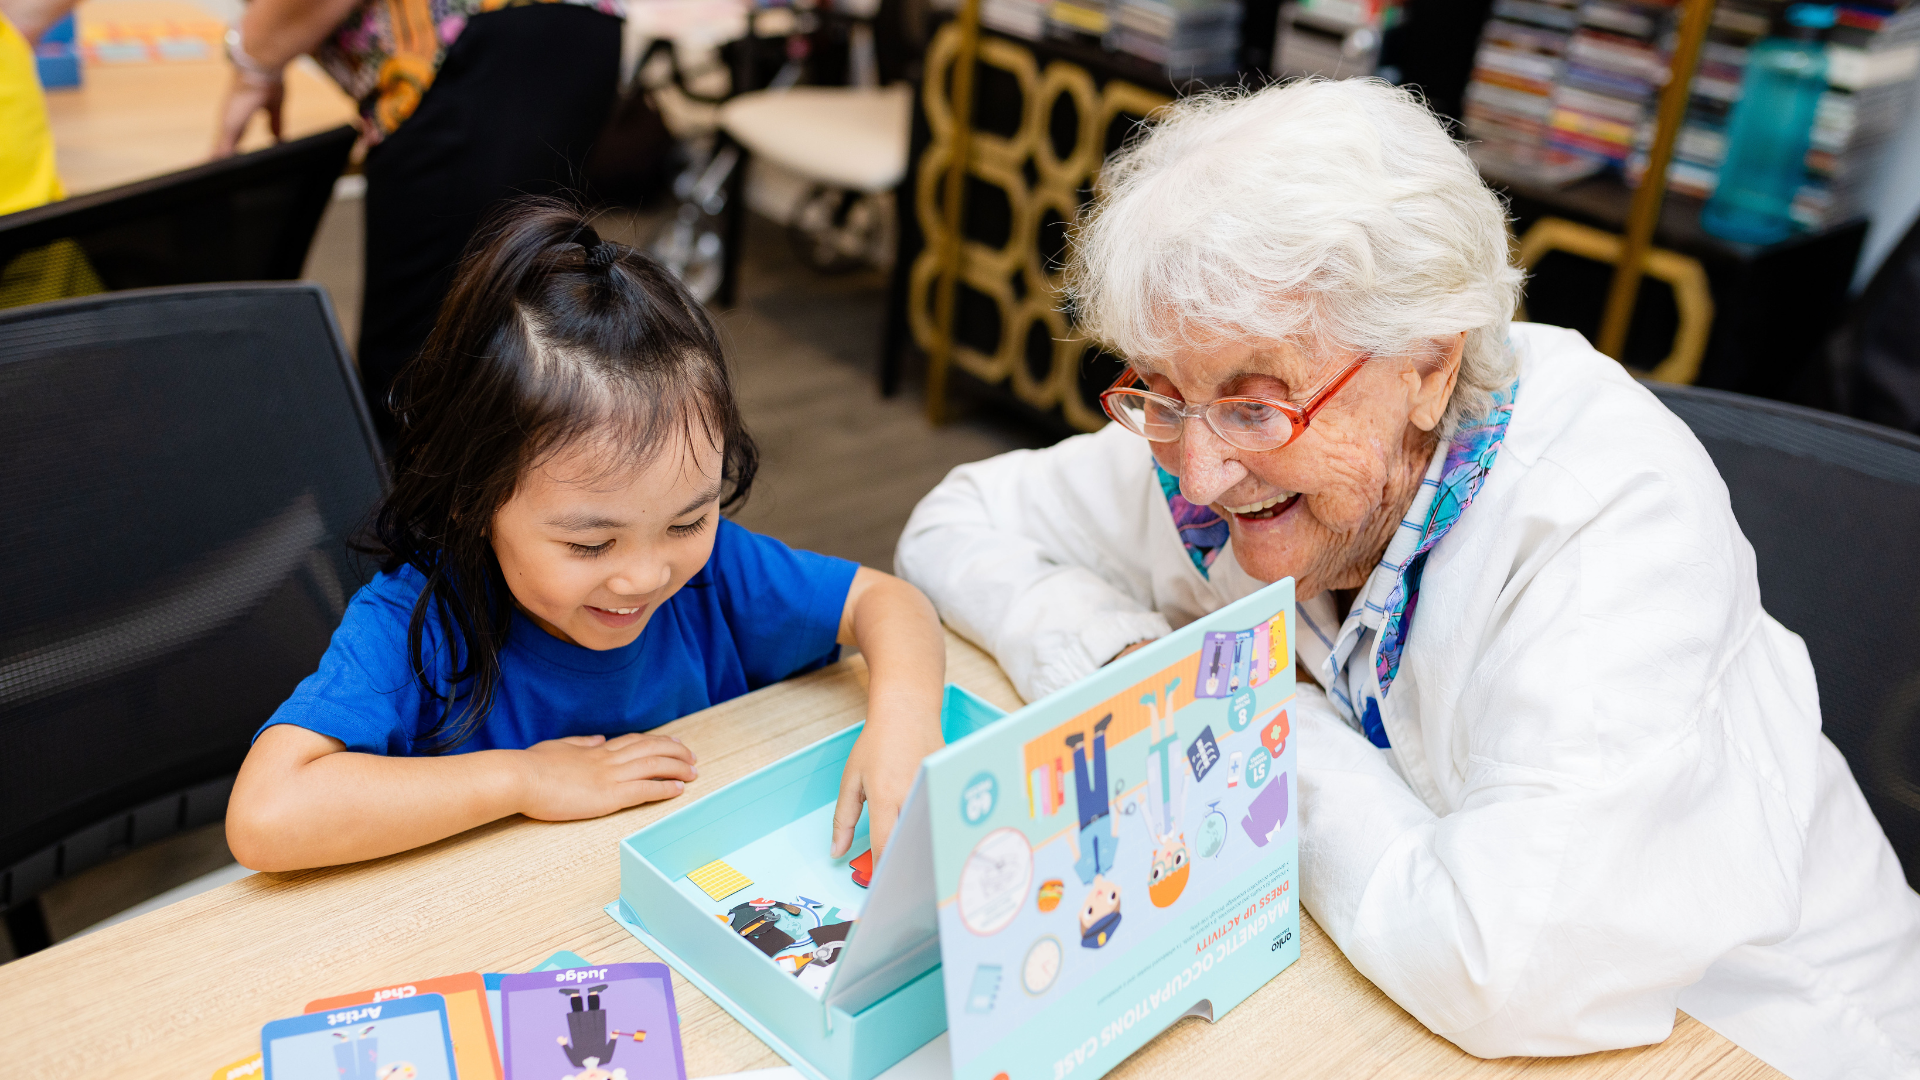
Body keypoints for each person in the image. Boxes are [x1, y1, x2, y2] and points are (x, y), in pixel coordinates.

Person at [894, 80, 1920, 1079]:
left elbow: (1502, 968)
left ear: (1430, 366)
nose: (1198, 479)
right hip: (1395, 981)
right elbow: (955, 524)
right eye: (1160, 395)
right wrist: (1130, 660)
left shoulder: (1609, 517)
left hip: (1741, 1029)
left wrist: (1254, 725)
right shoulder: (1222, 435)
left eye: (1257, 408)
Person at [227, 201, 946, 870]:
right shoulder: (420, 621)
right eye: (590, 545)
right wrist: (523, 778)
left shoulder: (717, 572)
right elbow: (266, 814)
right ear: (474, 500)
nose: (645, 575)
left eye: (688, 519)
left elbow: (888, 603)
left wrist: (906, 724)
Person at [214, 0, 625, 444]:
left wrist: (254, 60)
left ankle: (412, 506)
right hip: (547, 34)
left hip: (474, 46)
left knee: (421, 375)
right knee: (493, 336)